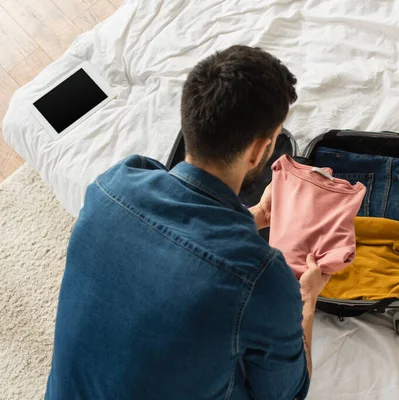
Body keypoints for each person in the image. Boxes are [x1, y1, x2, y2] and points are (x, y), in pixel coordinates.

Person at [45, 45, 331, 400]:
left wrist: (253, 216)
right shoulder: (261, 275)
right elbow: (285, 393)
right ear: (259, 150)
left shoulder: (112, 184)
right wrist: (306, 297)